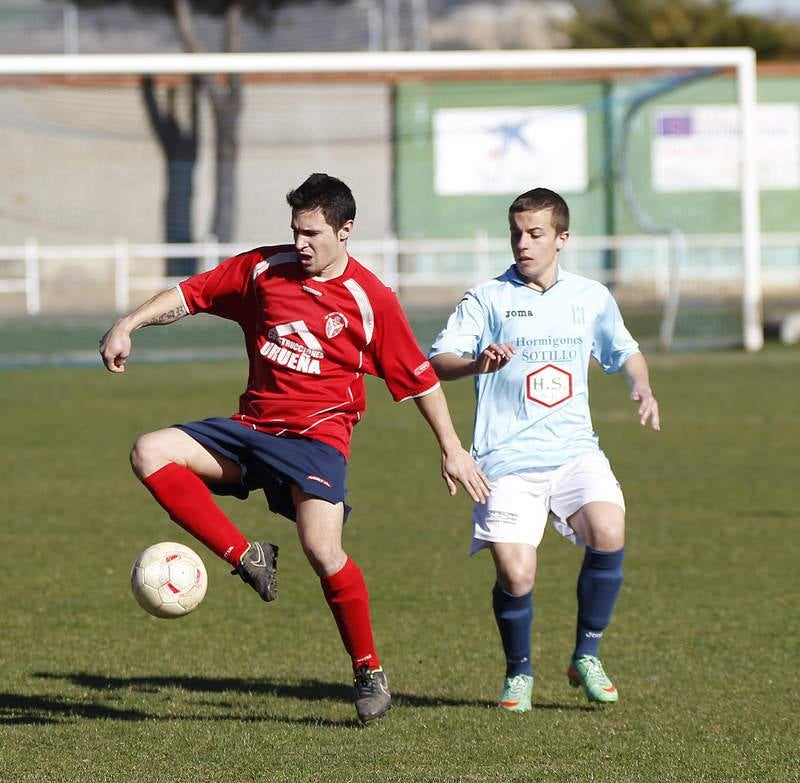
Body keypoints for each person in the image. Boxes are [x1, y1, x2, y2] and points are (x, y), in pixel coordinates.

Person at [99, 172, 489, 723]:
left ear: (345, 230)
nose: (300, 243)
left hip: (317, 440)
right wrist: (129, 322)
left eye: (312, 233)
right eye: (295, 231)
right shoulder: (263, 269)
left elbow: (419, 378)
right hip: (253, 428)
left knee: (323, 550)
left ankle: (368, 669)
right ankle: (247, 557)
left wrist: (451, 448)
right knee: (150, 452)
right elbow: (191, 294)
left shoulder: (370, 298)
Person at [428, 187, 660, 712]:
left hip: (575, 450)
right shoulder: (487, 298)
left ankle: (587, 655)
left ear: (562, 238)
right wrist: (477, 364)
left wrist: (640, 386)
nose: (523, 243)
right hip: (504, 458)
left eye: (535, 234)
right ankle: (519, 672)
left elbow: (627, 351)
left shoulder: (590, 296)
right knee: (516, 574)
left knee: (610, 529)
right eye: (516, 233)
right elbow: (438, 359)